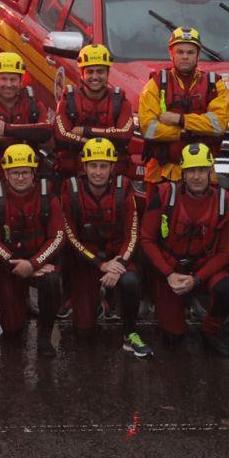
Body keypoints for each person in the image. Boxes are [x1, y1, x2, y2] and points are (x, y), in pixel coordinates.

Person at [139, 142, 229, 354]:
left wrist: (197, 279)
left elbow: (226, 251)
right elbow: (146, 239)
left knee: (227, 288)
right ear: (183, 173)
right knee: (173, 338)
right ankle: (171, 305)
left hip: (203, 270)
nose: (196, 176)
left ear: (210, 172)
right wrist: (168, 274)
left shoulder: (225, 201)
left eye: (202, 170)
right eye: (191, 171)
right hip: (171, 270)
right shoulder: (164, 195)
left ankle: (209, 330)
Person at [60, 138, 149, 358]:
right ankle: (97, 301)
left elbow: (133, 234)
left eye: (103, 166)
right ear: (84, 166)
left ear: (112, 167)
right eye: (92, 165)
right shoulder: (70, 190)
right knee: (83, 331)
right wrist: (100, 264)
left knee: (130, 281)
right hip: (87, 262)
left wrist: (117, 264)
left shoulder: (124, 188)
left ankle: (130, 332)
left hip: (117, 259)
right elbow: (70, 237)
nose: (97, 172)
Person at [0, 144, 64, 356]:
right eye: (15, 172)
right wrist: (18, 265)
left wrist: (33, 264)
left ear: (34, 172)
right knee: (11, 329)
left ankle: (44, 337)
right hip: (10, 267)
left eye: (25, 172)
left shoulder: (49, 197)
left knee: (52, 280)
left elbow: (58, 237)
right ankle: (20, 301)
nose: (20, 177)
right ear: (5, 173)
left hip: (39, 264)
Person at [138, 27, 229, 186]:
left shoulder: (215, 85)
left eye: (190, 52)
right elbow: (148, 127)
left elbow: (218, 124)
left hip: (202, 173)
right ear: (171, 54)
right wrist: (184, 133)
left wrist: (179, 119)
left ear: (198, 55)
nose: (185, 57)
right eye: (180, 52)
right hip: (162, 172)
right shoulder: (155, 84)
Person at [0, 53, 53, 209]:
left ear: (21, 81)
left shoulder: (31, 100)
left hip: (22, 178)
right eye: (3, 79)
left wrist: (6, 129)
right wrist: (25, 138)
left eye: (13, 79)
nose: (8, 84)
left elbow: (46, 131)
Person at [52, 43, 134, 178]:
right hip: (73, 175)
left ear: (108, 73)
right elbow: (61, 136)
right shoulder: (68, 98)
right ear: (81, 73)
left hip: (111, 178)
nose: (95, 77)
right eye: (90, 71)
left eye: (100, 71)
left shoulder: (120, 100)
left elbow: (125, 135)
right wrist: (98, 144)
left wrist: (86, 132)